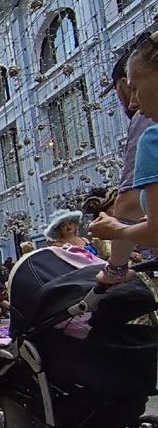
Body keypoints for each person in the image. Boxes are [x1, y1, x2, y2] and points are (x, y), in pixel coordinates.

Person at [91, 32, 158, 284]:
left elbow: (130, 205)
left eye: (135, 88)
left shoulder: (151, 136)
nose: (132, 103)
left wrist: (116, 232)